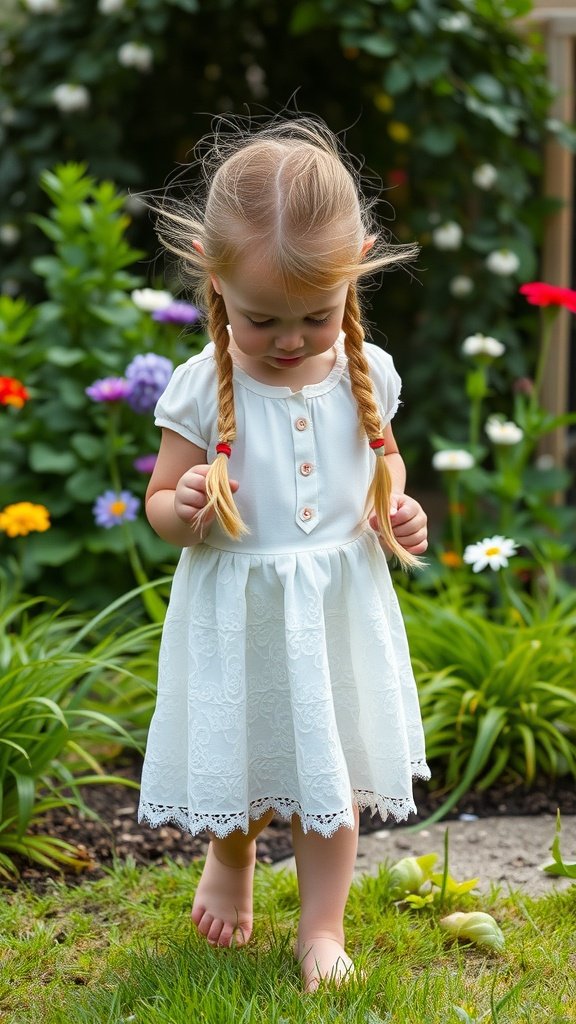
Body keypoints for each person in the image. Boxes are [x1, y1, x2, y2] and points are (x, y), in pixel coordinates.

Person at [138, 114, 430, 991]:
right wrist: (183, 507)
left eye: (315, 314)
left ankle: (321, 929)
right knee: (250, 753)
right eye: (263, 320)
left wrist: (397, 507)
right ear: (211, 273)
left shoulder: (367, 373)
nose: (292, 340)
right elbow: (159, 500)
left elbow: (381, 458)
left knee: (325, 767)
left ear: (357, 266)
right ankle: (231, 857)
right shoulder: (198, 387)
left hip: (336, 612)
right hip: (243, 612)